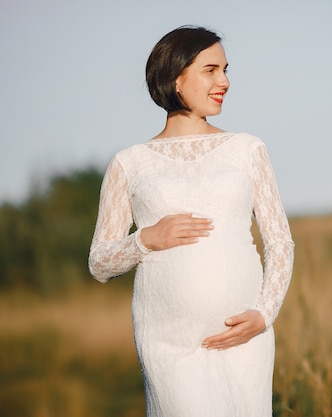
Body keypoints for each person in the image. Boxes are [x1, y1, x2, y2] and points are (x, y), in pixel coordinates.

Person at [88, 26, 294, 416]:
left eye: (226, 70)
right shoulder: (129, 162)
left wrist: (264, 315)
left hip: (243, 336)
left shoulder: (247, 149)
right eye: (211, 70)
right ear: (176, 78)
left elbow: (280, 242)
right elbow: (99, 262)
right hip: (168, 342)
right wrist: (145, 239)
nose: (225, 82)